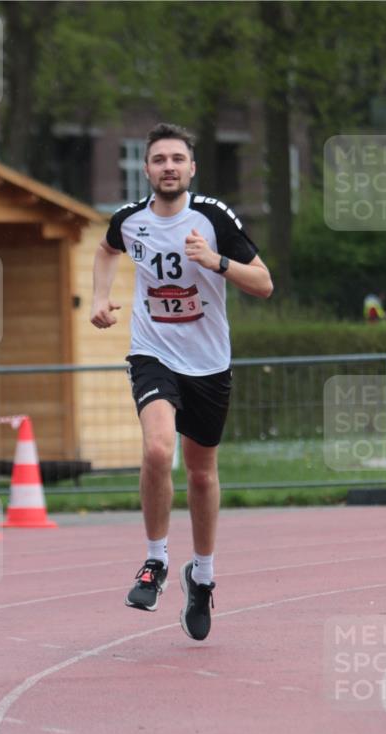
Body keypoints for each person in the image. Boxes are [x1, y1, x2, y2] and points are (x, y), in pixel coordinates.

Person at [91, 123, 273, 641]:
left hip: (208, 362)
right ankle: (155, 562)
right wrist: (100, 297)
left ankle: (203, 576)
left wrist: (215, 261)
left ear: (191, 168)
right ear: (146, 170)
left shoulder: (213, 218)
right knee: (156, 449)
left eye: (177, 159)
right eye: (158, 159)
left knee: (200, 474)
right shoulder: (129, 220)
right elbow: (106, 249)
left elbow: (264, 283)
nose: (168, 167)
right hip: (153, 353)